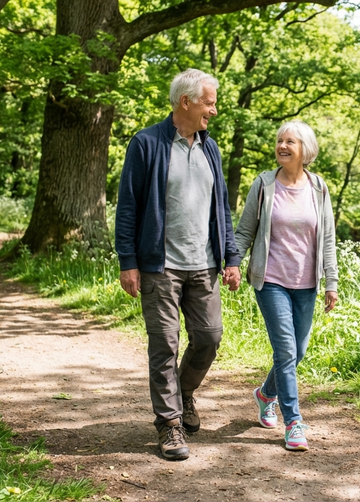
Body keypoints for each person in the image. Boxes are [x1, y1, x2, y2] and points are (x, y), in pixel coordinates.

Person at [115, 69, 241, 461]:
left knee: (209, 337)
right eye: (210, 102)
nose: (214, 111)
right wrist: (128, 261)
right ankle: (169, 424)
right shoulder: (146, 143)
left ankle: (184, 392)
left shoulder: (210, 148)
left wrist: (231, 256)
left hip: (204, 265)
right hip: (160, 266)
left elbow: (221, 205)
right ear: (185, 101)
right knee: (164, 345)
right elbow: (129, 207)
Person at [234, 120, 338, 451]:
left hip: (306, 283)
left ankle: (266, 395)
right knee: (286, 350)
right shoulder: (264, 185)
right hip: (271, 280)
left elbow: (329, 240)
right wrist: (232, 264)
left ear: (304, 150)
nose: (281, 145)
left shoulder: (319, 188)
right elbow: (244, 231)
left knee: (298, 352)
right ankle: (294, 422)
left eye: (289, 141)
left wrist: (331, 282)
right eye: (279, 140)